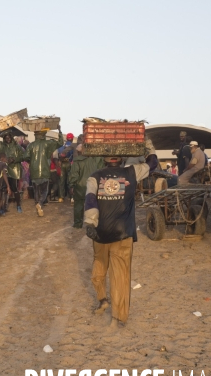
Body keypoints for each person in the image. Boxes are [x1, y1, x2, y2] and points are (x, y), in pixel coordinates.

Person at [84, 141, 158, 329]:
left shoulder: (95, 177)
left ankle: (102, 300)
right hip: (122, 232)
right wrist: (148, 146)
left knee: (98, 269)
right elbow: (153, 163)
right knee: (121, 276)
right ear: (122, 157)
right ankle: (119, 317)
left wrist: (91, 222)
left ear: (103, 157)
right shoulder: (132, 172)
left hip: (101, 233)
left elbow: (90, 200)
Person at [23, 127, 64, 217]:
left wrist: (32, 162)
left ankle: (38, 204)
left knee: (36, 190)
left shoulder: (31, 145)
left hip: (34, 171)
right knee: (45, 190)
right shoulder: (48, 143)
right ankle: (40, 203)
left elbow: (25, 156)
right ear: (44, 135)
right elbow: (60, 143)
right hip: (45, 170)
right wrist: (59, 131)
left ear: (35, 135)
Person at [69, 145, 104, 228]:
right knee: (96, 204)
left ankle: (78, 224)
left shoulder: (77, 161)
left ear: (79, 152)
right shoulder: (97, 159)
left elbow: (74, 175)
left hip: (80, 186)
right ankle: (95, 222)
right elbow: (101, 171)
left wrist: (71, 185)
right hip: (94, 185)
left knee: (78, 205)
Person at [0, 128, 25, 213]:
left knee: (14, 188)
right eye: (6, 138)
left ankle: (18, 205)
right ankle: (3, 207)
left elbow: (24, 157)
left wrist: (14, 159)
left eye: (9, 137)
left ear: (11, 137)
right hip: (4, 169)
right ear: (4, 139)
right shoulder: (1, 145)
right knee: (3, 189)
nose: (8, 139)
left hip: (14, 170)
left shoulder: (17, 147)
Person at [57, 133, 75, 203]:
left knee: (61, 181)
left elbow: (59, 154)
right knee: (70, 181)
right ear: (72, 139)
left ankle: (61, 197)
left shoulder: (62, 146)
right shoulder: (73, 146)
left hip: (62, 164)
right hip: (70, 164)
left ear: (66, 138)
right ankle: (71, 197)